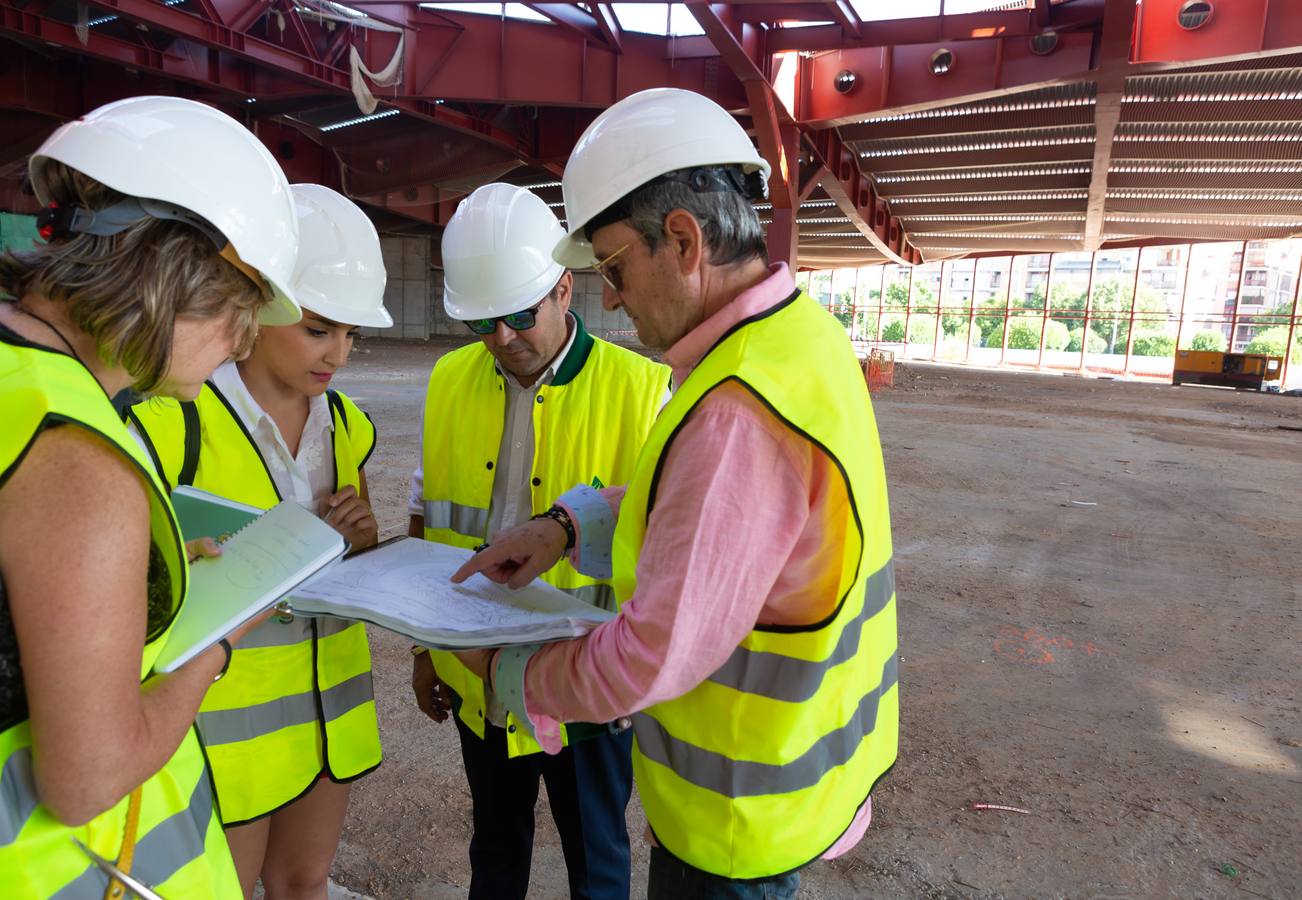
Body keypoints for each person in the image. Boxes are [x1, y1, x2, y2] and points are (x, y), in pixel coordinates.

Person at [451, 88, 900, 899]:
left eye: (616, 268)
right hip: (797, 773)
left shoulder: (738, 409)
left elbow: (645, 656)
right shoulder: (797, 340)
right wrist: (564, 527)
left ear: (685, 240)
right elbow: (717, 520)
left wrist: (507, 678)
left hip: (732, 823)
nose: (611, 298)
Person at [0, 95, 302, 896]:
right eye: (242, 309)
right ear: (175, 269)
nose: (243, 343)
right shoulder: (78, 461)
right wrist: (216, 644)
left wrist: (135, 580)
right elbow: (87, 779)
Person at [126, 183, 391, 899]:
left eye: (351, 335)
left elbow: (353, 555)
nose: (338, 353)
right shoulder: (176, 421)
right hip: (223, 726)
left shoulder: (349, 426)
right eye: (318, 329)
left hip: (330, 712)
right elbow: (146, 588)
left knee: (304, 884)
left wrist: (361, 541)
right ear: (258, 309)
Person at [408, 182, 670, 899]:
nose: (501, 339)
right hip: (479, 670)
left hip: (589, 684)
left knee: (598, 862)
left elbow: (670, 554)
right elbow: (426, 512)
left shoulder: (645, 393)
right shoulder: (448, 379)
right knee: (494, 848)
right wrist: (426, 650)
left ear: (564, 288)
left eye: (518, 316)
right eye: (481, 324)